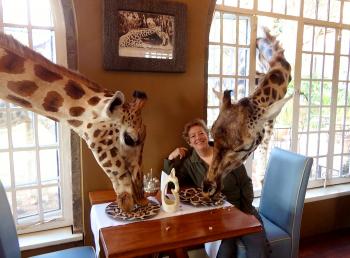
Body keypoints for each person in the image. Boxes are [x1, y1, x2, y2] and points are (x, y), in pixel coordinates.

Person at [163, 118, 269, 258]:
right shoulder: (189, 162)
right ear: (189, 142)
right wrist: (171, 158)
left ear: (207, 135)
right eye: (193, 136)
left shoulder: (227, 155)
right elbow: (171, 184)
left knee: (259, 249)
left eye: (201, 133)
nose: (198, 138)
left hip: (242, 210)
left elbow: (246, 184)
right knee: (224, 253)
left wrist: (243, 212)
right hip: (216, 216)